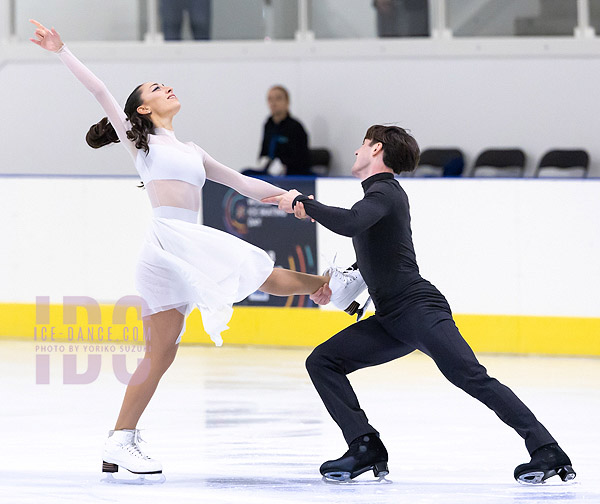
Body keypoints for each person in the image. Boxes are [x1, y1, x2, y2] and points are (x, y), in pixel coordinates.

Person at [29, 19, 351, 481]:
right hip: (169, 242)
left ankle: (119, 439)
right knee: (252, 268)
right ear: (142, 108)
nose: (168, 88)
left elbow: (240, 184)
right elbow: (100, 90)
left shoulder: (192, 149)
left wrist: (290, 198)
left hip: (177, 248)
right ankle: (328, 287)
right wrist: (61, 50)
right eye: (157, 88)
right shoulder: (139, 143)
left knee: (162, 353)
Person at [265, 125, 576, 484]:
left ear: (376, 149)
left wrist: (304, 203)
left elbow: (350, 224)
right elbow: (375, 257)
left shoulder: (384, 191)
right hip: (392, 318)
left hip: (417, 308)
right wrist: (334, 286)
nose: (355, 152)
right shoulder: (376, 198)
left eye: (362, 145)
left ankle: (547, 449)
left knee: (471, 377)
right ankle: (365, 446)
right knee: (322, 361)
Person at [242, 85, 311, 177]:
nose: (273, 103)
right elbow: (264, 150)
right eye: (270, 99)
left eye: (278, 99)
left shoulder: (295, 127)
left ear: (287, 102)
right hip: (270, 170)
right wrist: (264, 160)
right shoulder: (268, 124)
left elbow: (302, 158)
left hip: (291, 172)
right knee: (245, 174)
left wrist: (283, 165)